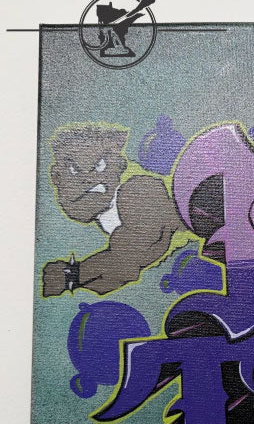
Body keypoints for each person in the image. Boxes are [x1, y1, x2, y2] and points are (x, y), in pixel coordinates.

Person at [41, 122, 186, 297]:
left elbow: (128, 263)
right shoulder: (106, 209)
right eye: (74, 170)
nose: (86, 179)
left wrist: (73, 275)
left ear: (119, 165)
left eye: (99, 166)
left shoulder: (137, 190)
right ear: (56, 177)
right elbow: (115, 276)